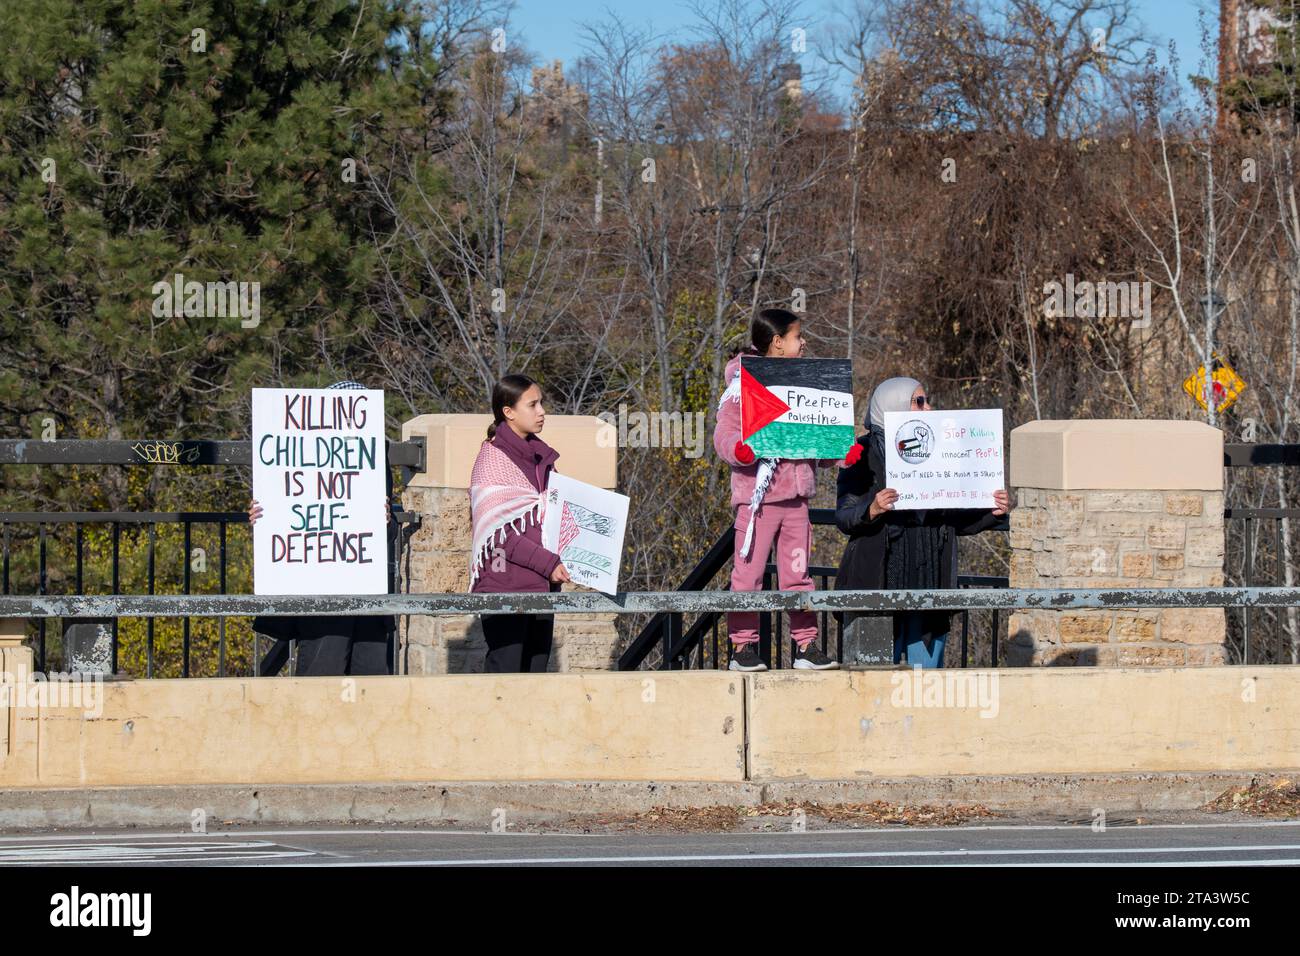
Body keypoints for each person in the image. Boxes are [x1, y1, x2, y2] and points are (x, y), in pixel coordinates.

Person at [714, 309, 858, 672]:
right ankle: (742, 649)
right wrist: (741, 449)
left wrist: (840, 452)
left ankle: (806, 647)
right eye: (797, 336)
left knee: (799, 574)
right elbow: (724, 435)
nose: (803, 341)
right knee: (748, 576)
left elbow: (812, 441)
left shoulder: (806, 386)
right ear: (777, 343)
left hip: (796, 501)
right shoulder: (741, 387)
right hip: (758, 500)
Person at [834, 377, 1011, 668]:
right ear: (893, 406)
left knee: (926, 681)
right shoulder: (862, 453)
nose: (929, 408)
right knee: (876, 677)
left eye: (926, 401)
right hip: (880, 581)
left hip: (929, 577)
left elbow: (951, 516)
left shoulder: (938, 448)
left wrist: (992, 511)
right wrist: (873, 508)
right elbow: (844, 515)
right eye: (919, 402)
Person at [248, 379, 398, 676]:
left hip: (368, 594)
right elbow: (285, 513)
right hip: (322, 594)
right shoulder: (304, 456)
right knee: (320, 675)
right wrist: (260, 519)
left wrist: (385, 520)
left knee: (370, 681)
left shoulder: (374, 458)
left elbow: (386, 533)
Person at [468, 374, 571, 673]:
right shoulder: (492, 461)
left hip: (542, 586)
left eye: (541, 404)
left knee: (535, 675)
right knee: (506, 675)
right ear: (508, 412)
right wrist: (549, 562)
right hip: (505, 583)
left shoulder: (541, 457)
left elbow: (554, 515)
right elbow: (501, 536)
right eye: (533, 405)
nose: (542, 412)